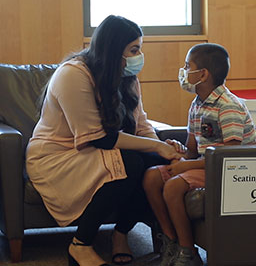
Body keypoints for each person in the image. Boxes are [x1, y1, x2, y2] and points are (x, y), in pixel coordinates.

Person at [25, 15, 185, 266]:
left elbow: (141, 125)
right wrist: (157, 146)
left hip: (98, 152)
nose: (138, 56)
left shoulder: (126, 76)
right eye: (134, 50)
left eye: (139, 49)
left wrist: (165, 151)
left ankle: (121, 234)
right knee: (131, 163)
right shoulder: (72, 75)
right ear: (113, 50)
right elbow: (99, 138)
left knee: (155, 166)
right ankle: (80, 245)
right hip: (58, 156)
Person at [143, 43, 256, 266]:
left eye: (187, 66)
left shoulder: (228, 105)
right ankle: (172, 241)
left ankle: (188, 253)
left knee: (174, 186)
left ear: (203, 74)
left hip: (232, 171)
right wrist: (179, 152)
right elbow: (193, 150)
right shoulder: (196, 105)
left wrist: (186, 167)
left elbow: (230, 156)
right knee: (151, 177)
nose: (184, 72)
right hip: (206, 165)